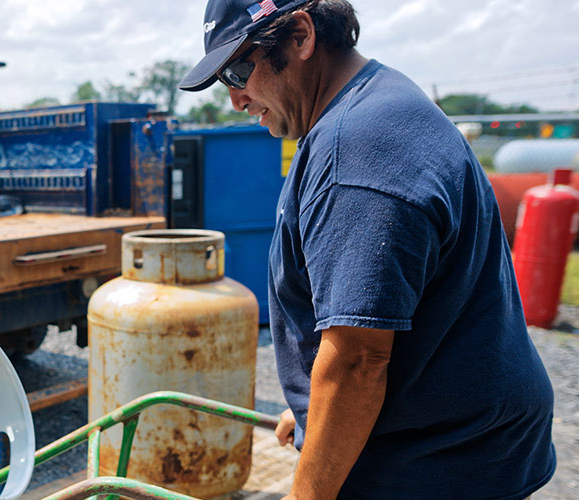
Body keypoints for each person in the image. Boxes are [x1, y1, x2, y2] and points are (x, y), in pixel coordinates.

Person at [178, 1, 555, 498]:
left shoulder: (355, 155)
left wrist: (306, 494)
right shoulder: (383, 99)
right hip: (476, 440)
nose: (236, 99)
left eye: (240, 70)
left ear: (302, 37)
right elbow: (392, 312)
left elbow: (358, 361)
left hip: (436, 464)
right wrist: (314, 412)